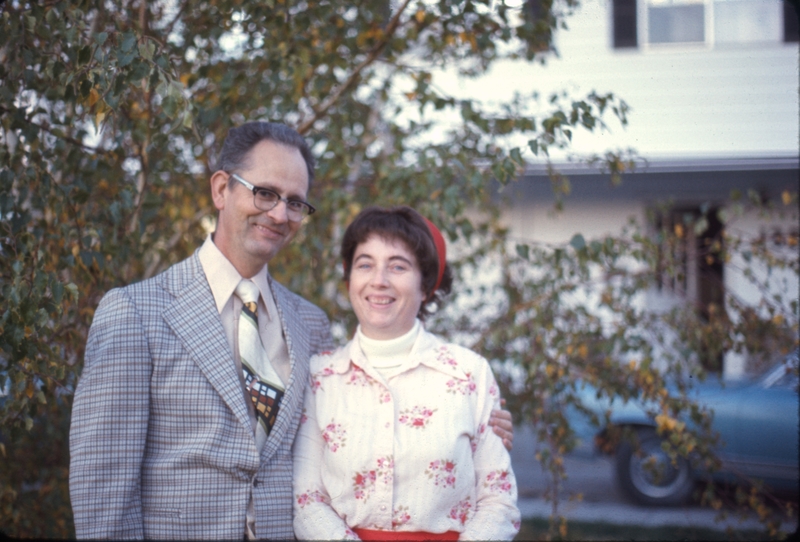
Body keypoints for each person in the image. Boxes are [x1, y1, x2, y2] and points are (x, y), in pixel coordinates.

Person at [69, 122, 515, 540]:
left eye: (295, 201)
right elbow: (103, 487)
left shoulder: (310, 325)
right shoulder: (135, 313)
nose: (280, 213)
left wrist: (470, 423)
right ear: (222, 189)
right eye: (264, 193)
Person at [293, 206, 520, 541]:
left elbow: (498, 501)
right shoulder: (319, 377)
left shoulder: (469, 374)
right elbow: (306, 499)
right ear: (349, 278)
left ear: (425, 285)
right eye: (365, 264)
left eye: (397, 266)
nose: (379, 280)